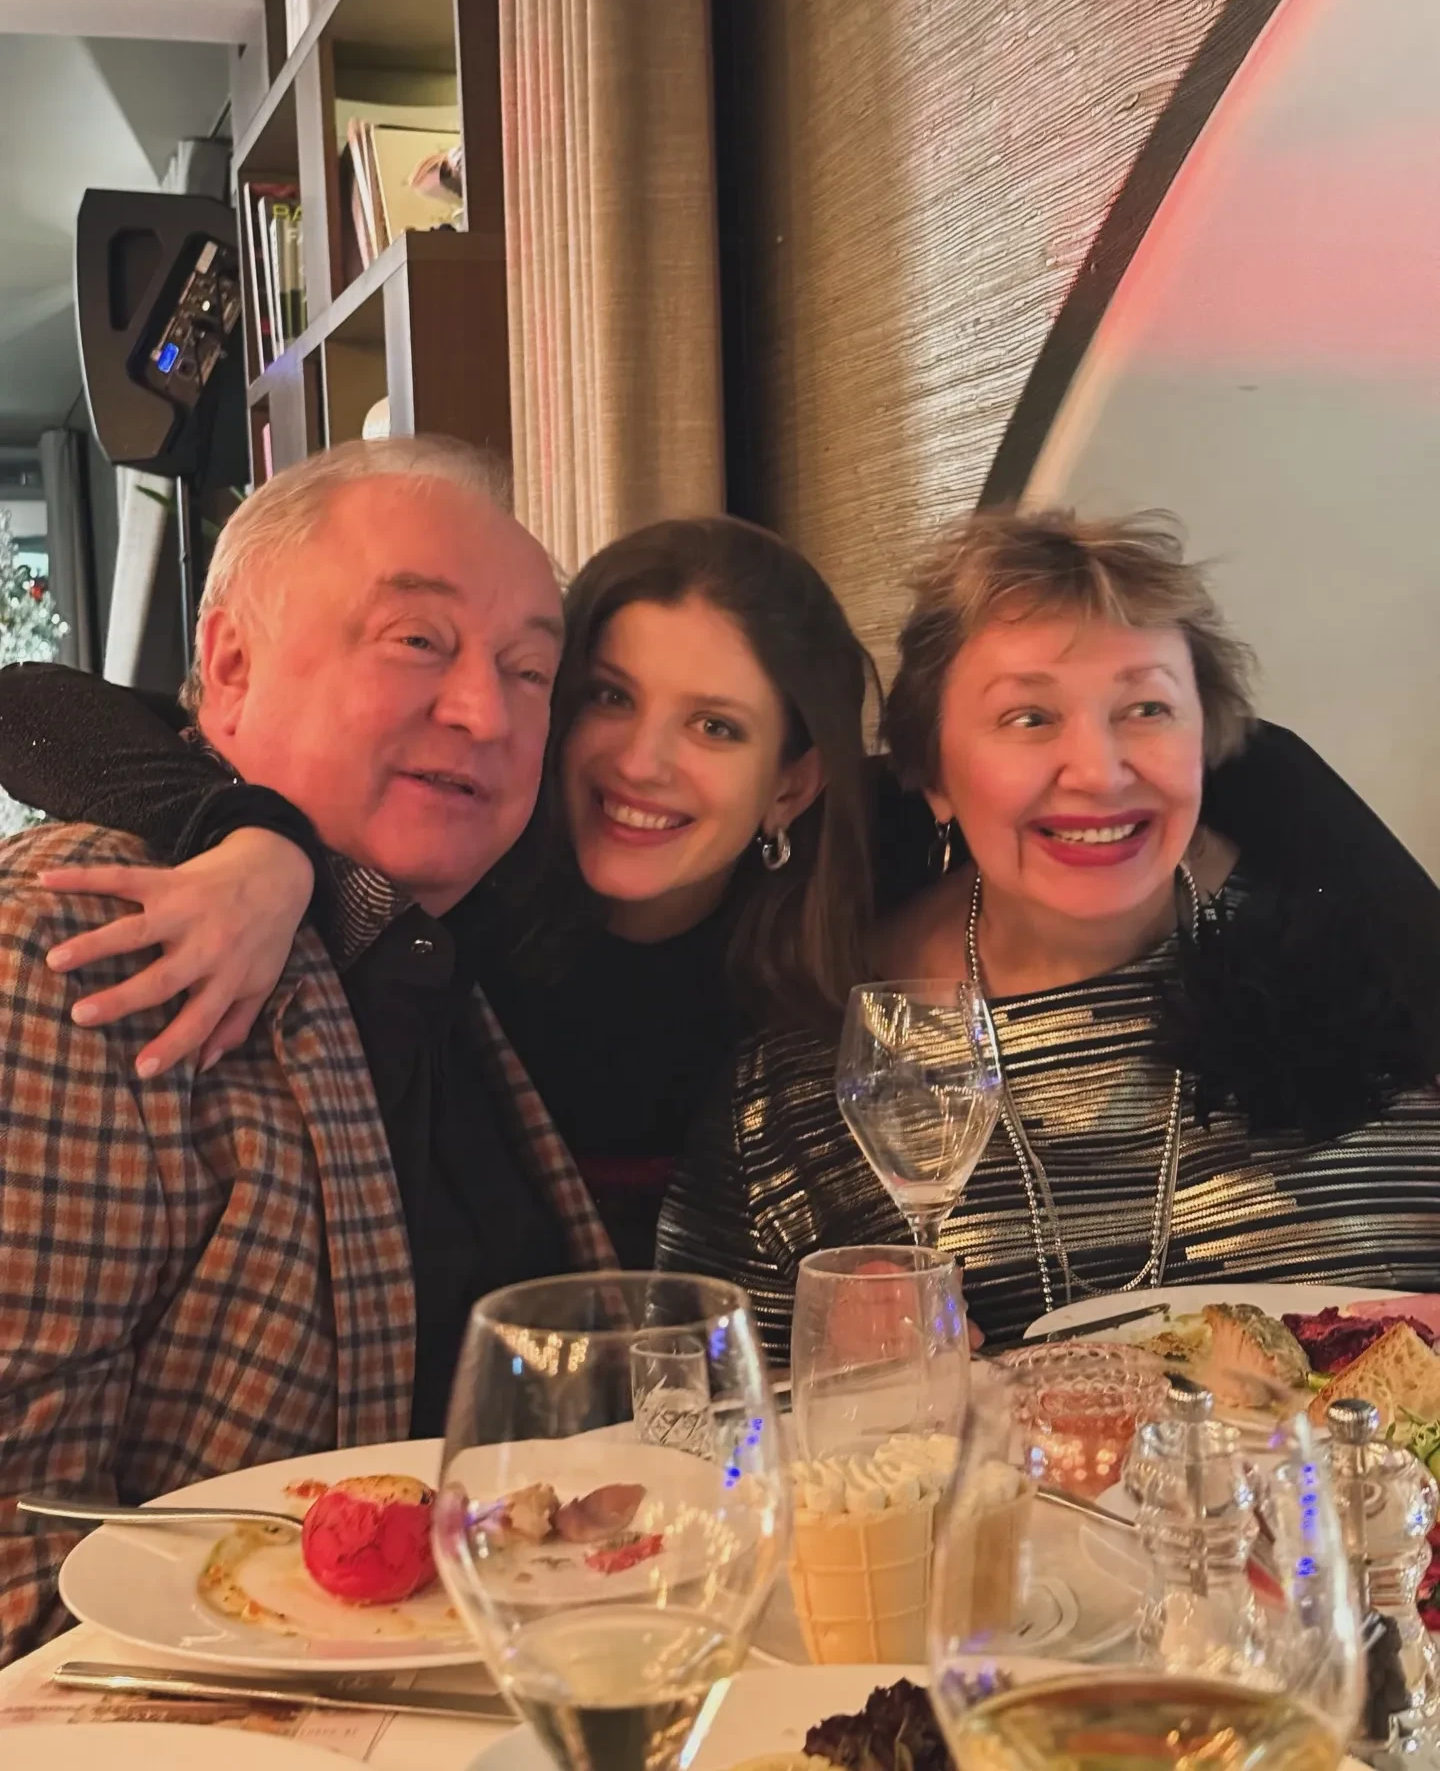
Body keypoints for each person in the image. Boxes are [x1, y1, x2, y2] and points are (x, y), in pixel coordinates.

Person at [0, 435, 615, 1664]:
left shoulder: (447, 943)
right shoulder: (91, 947)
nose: (486, 711)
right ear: (229, 666)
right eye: (418, 640)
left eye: (531, 671)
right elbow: (21, 1567)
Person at [656, 507, 1440, 1359]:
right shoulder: (818, 1077)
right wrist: (829, 1382)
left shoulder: (1374, 965)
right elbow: (698, 1402)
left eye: (1147, 708)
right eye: (1029, 718)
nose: (1100, 772)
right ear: (934, 771)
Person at [0, 518, 878, 1267]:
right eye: (610, 696)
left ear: (792, 786)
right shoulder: (453, 884)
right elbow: (29, 702)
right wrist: (256, 838)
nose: (642, 763)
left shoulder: (861, 917)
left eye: (714, 726)